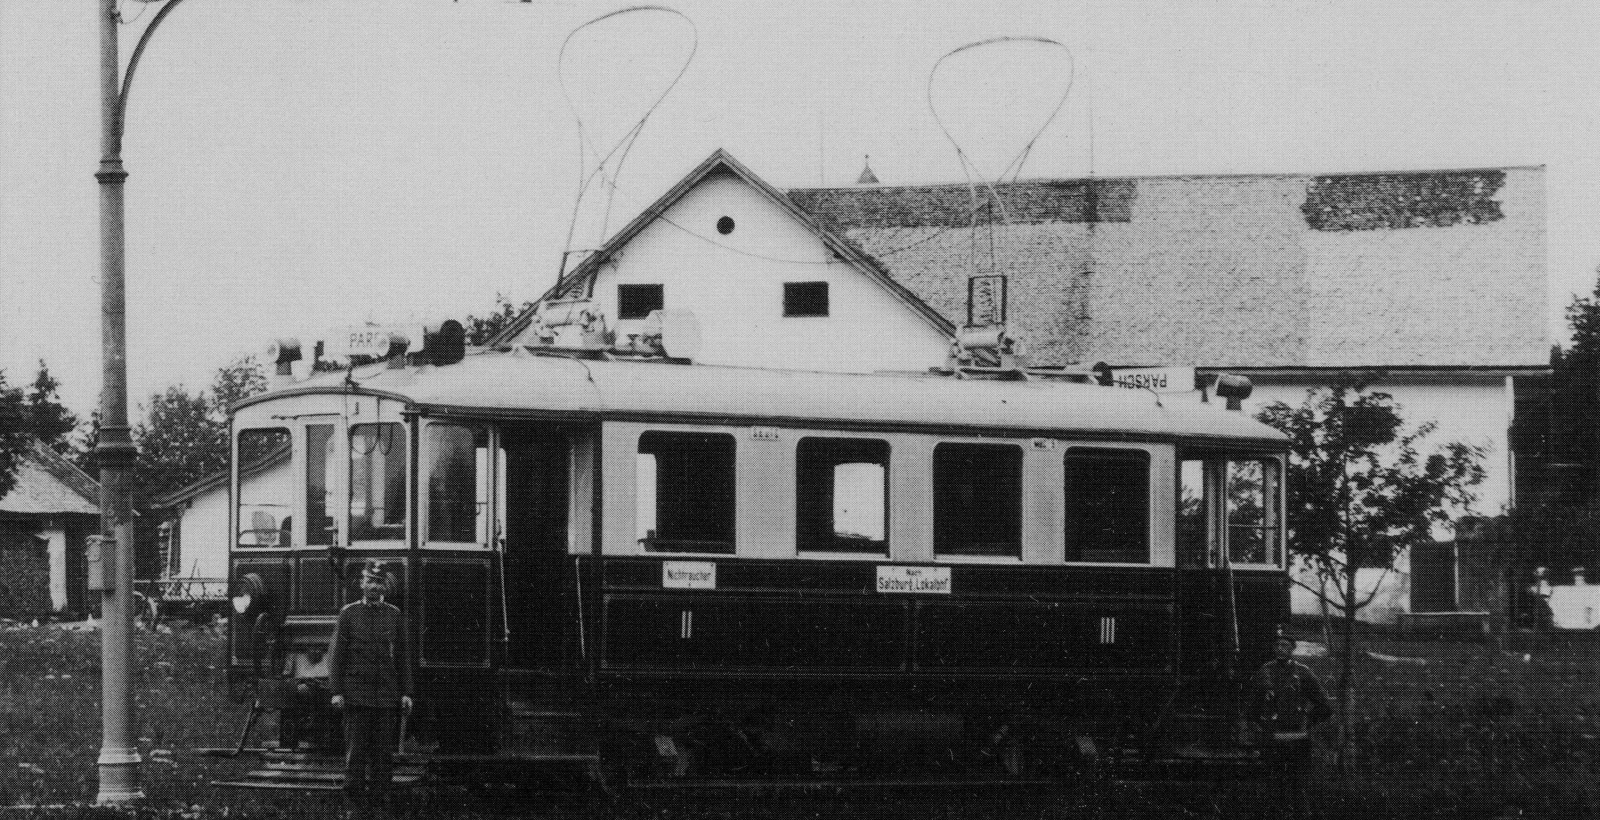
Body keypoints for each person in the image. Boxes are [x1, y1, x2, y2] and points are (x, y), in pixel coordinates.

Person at [329, 561, 414, 812]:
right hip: (356, 696)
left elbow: (402, 657)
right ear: (361, 584)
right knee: (355, 754)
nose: (374, 586)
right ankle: (354, 807)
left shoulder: (394, 614)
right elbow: (338, 656)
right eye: (369, 581)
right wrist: (336, 691)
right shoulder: (348, 614)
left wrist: (406, 692)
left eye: (379, 582)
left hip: (386, 697)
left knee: (382, 756)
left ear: (384, 585)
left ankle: (379, 805)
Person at [1249, 634, 1331, 818]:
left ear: (1292, 649)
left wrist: (1307, 721)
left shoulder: (1303, 673)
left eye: (1285, 645)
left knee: (1298, 786)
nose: (1280, 648)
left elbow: (1325, 706)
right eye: (1277, 645)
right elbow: (1253, 708)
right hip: (1273, 739)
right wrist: (1261, 726)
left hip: (1297, 740)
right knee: (1273, 785)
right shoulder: (1264, 672)